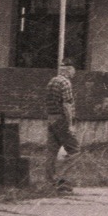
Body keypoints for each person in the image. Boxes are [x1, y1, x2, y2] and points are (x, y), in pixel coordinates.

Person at [44, 57, 81, 192]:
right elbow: (67, 104)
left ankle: (50, 182)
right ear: (69, 69)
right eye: (73, 70)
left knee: (51, 151)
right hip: (62, 120)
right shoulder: (65, 83)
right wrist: (70, 124)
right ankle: (62, 180)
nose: (74, 73)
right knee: (75, 150)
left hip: (51, 118)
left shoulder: (52, 81)